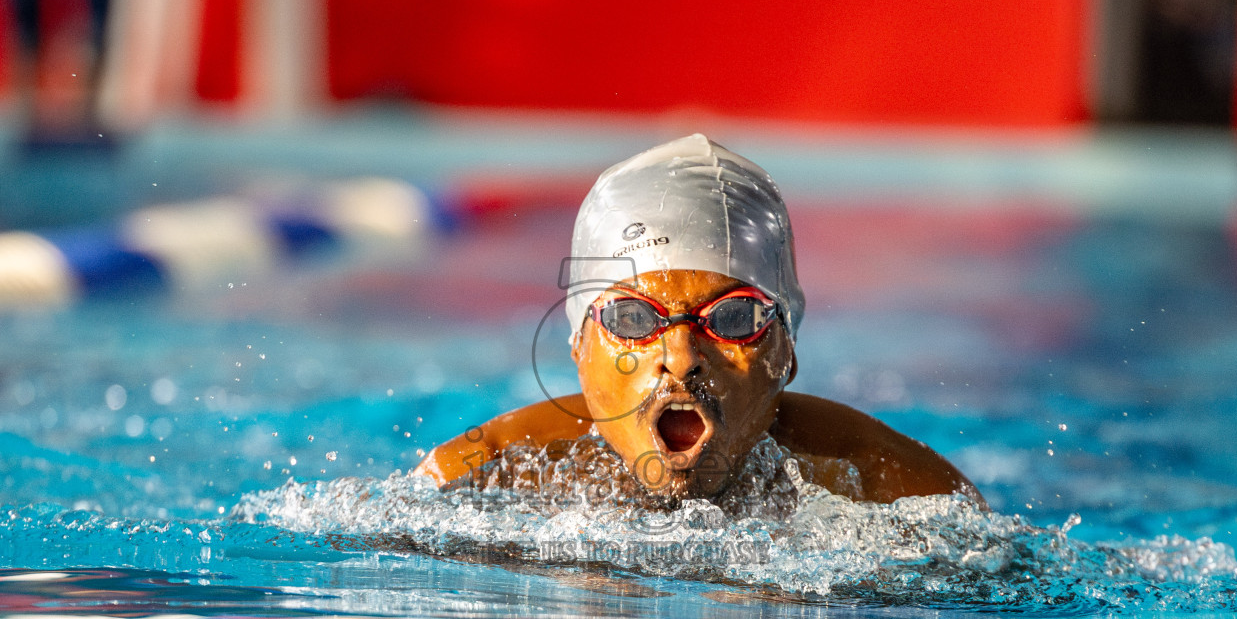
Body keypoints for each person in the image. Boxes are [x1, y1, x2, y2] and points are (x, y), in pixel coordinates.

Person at [415, 134, 981, 508]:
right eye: (633, 318)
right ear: (578, 346)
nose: (681, 357)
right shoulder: (479, 478)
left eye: (733, 318)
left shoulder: (899, 492)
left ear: (787, 352)